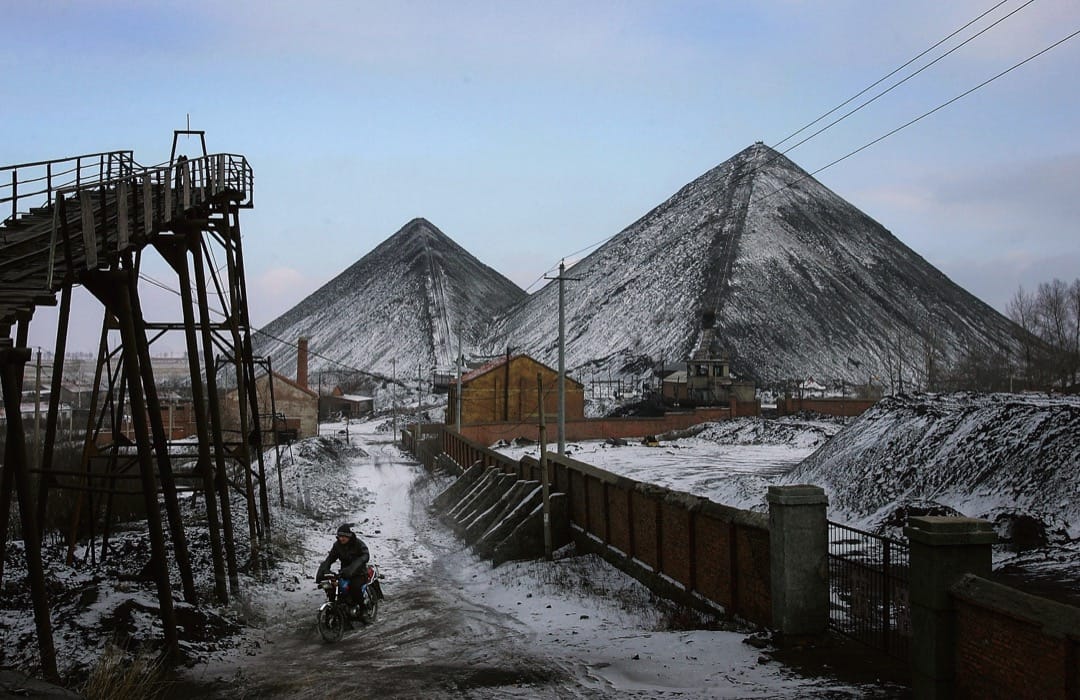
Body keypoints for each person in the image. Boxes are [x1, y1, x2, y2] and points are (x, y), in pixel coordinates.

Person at [316, 523, 370, 611]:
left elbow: (365, 556)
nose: (341, 538)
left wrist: (353, 567)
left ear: (349, 536)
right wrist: (324, 570)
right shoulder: (337, 545)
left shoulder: (358, 544)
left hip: (359, 572)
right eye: (339, 536)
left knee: (354, 587)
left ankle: (363, 609)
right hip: (345, 572)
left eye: (344, 536)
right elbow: (330, 558)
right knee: (332, 587)